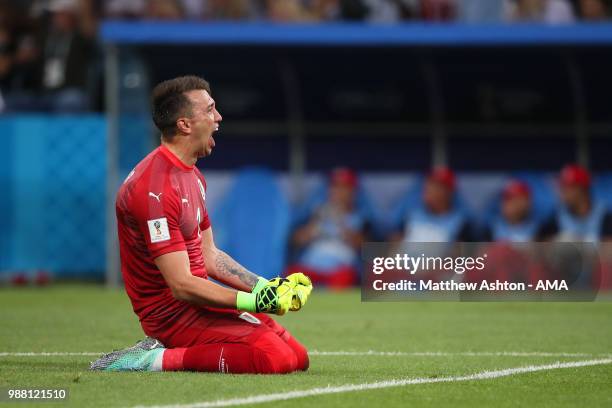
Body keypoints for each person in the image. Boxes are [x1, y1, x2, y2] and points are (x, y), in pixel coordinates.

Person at [90, 76, 312, 374]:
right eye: (209, 110)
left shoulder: (192, 176)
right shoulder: (153, 190)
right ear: (184, 124)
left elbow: (209, 256)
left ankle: (173, 351)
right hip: (172, 315)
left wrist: (268, 288)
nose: (218, 117)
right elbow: (181, 285)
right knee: (275, 359)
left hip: (201, 303)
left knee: (298, 357)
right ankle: (152, 359)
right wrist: (253, 301)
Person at [286, 168, 369, 289]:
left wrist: (341, 221)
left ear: (353, 191)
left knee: (346, 277)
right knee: (292, 274)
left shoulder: (361, 217)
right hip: (312, 268)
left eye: (344, 187)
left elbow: (365, 246)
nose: (338, 191)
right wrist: (315, 223)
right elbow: (296, 240)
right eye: (335, 186)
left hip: (339, 270)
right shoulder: (316, 211)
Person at [392, 167, 474, 243]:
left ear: (447, 192)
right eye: (428, 185)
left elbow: (461, 254)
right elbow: (395, 244)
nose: (428, 190)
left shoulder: (461, 224)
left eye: (435, 187)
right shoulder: (412, 216)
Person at [538, 164, 612, 242]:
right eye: (562, 187)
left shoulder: (604, 216)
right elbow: (541, 243)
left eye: (567, 187)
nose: (562, 192)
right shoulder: (557, 217)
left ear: (582, 189)